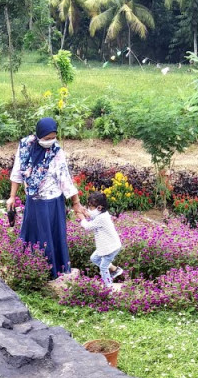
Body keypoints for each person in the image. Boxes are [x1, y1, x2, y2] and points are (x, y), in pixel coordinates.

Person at [7, 117, 84, 280]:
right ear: (39, 135)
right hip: (33, 200)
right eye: (47, 138)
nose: (50, 141)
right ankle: (29, 269)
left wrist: (76, 203)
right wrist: (12, 197)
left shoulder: (56, 152)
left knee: (49, 236)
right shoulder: (25, 146)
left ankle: (52, 271)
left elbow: (65, 178)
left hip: (51, 201)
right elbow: (17, 171)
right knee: (33, 235)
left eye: (53, 138)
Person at [80, 192, 124, 288]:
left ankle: (108, 288)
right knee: (94, 258)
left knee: (103, 267)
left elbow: (88, 226)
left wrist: (82, 218)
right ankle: (114, 269)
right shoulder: (102, 214)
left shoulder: (102, 218)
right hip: (108, 246)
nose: (88, 209)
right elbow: (93, 216)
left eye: (90, 207)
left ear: (99, 208)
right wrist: (87, 213)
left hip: (110, 247)